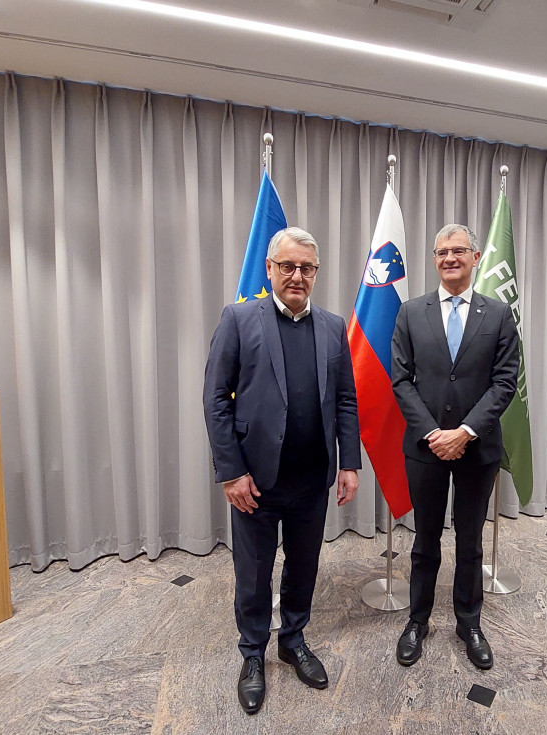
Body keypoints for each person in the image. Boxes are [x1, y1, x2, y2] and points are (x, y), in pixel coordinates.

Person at [203, 226, 361, 715]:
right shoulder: (239, 318)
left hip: (312, 478)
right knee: (252, 573)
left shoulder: (334, 327)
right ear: (269, 269)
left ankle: (292, 640)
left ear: (316, 273)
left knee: (303, 568)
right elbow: (215, 401)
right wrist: (231, 472)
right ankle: (252, 655)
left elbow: (345, 400)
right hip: (255, 481)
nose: (297, 275)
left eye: (307, 268)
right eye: (288, 266)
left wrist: (349, 462)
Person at [390, 223, 519, 670]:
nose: (449, 258)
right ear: (434, 259)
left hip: (477, 450)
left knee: (471, 540)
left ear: (476, 256)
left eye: (458, 250)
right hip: (425, 448)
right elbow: (400, 381)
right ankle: (417, 621)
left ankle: (469, 622)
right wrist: (433, 434)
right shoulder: (410, 312)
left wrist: (464, 432)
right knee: (424, 541)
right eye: (442, 251)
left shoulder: (499, 314)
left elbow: (505, 384)